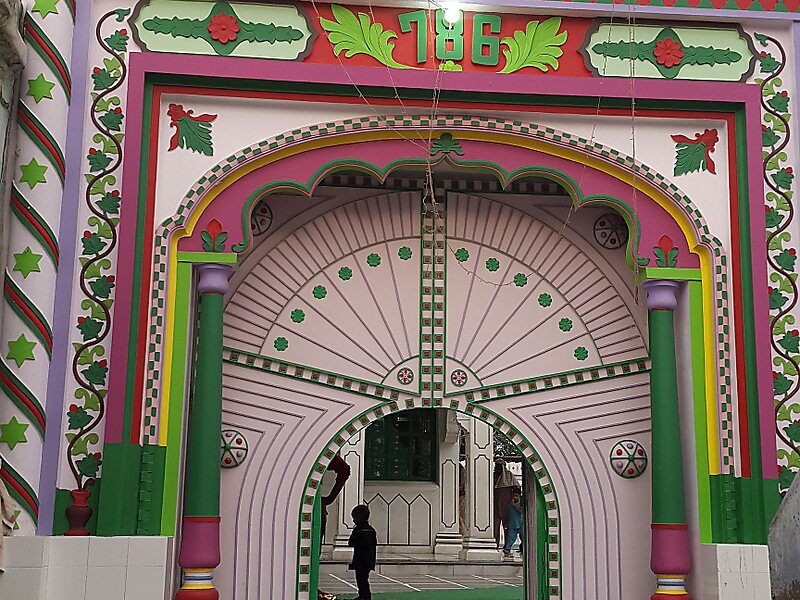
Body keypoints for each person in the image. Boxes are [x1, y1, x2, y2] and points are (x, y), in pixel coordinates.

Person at [348, 504, 377, 600]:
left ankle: (364, 596)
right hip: (369, 560)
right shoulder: (371, 530)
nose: (353, 520)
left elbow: (351, 543)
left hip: (360, 560)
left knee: (361, 579)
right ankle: (364, 596)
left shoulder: (358, 530)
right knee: (364, 579)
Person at [493, 458, 519, 547]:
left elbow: (517, 488)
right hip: (495, 506)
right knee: (495, 527)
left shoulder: (509, 476)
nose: (497, 468)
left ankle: (507, 546)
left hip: (507, 507)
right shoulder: (493, 476)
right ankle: (495, 544)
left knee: (507, 527)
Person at [503, 486, 523, 558]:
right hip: (512, 524)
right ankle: (507, 549)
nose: (515, 497)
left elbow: (521, 511)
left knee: (523, 537)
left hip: (520, 523)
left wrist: (515, 506)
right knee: (511, 538)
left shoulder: (520, 503)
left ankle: (523, 549)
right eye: (514, 496)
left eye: (516, 496)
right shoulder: (510, 504)